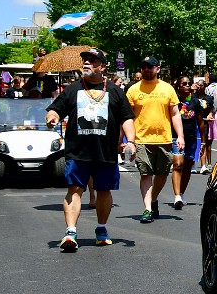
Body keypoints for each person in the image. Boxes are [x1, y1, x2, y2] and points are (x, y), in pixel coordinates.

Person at [45, 48, 135, 249]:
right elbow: (55, 109)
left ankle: (101, 228)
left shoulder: (115, 91)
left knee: (104, 190)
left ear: (102, 66)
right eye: (85, 60)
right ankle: (70, 233)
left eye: (92, 60)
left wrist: (131, 141)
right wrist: (52, 117)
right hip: (78, 151)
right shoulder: (72, 89)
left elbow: (126, 117)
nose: (86, 63)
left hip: (106, 151)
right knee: (74, 189)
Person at [126, 56, 183, 223]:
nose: (146, 70)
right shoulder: (133, 90)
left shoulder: (167, 89)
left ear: (158, 69)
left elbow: (175, 114)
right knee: (145, 174)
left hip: (164, 139)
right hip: (141, 139)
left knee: (162, 174)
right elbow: (127, 117)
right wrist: (127, 140)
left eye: (150, 67)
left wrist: (179, 136)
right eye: (144, 67)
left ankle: (153, 198)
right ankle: (147, 209)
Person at [171, 75, 207, 210]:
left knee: (187, 166)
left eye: (188, 83)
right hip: (176, 137)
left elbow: (200, 122)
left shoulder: (195, 102)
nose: (187, 85)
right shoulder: (173, 101)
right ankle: (176, 197)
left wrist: (203, 141)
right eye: (184, 83)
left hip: (191, 138)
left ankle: (181, 193)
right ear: (179, 86)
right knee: (178, 164)